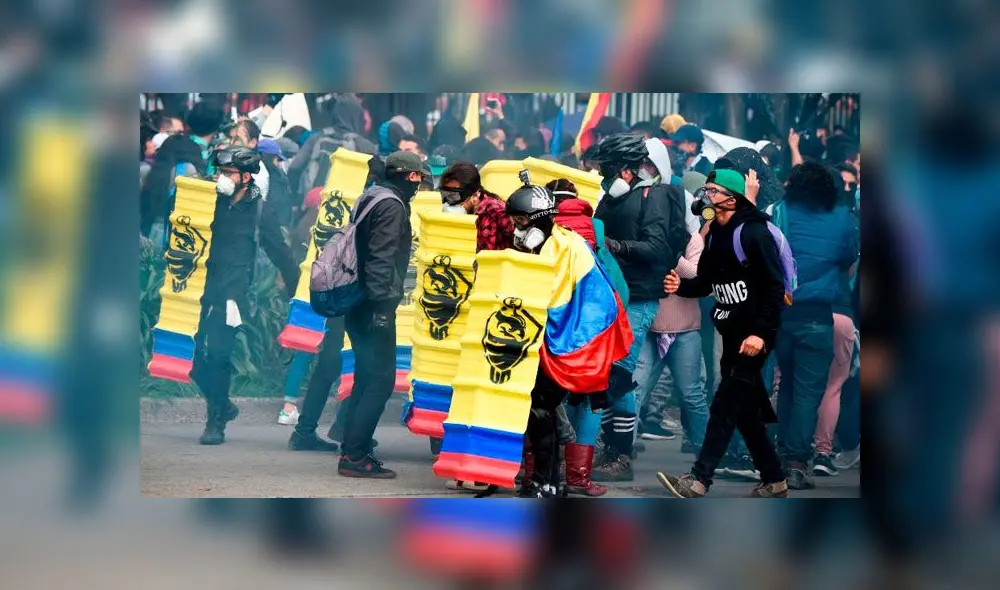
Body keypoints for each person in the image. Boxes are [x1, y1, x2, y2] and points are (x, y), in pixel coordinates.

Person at [657, 168, 789, 498]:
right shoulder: (714, 233)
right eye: (707, 190)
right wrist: (681, 287)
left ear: (733, 197)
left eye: (714, 191)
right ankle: (775, 479)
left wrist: (760, 334)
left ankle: (699, 479)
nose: (707, 197)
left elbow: (775, 288)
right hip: (731, 332)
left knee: (724, 404)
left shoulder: (754, 233)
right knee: (744, 411)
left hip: (754, 335)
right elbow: (706, 283)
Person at [589, 133, 684, 482]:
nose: (603, 176)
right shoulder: (612, 199)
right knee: (605, 373)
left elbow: (657, 248)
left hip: (640, 299)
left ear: (627, 170)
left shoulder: (654, 197)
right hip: (611, 296)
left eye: (608, 169)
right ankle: (609, 444)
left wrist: (613, 245)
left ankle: (621, 455)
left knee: (619, 375)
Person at [192, 146, 300, 445]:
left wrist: (298, 292)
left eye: (228, 173)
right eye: (220, 172)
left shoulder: (259, 209)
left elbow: (281, 252)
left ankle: (215, 421)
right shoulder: (210, 200)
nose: (222, 178)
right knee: (188, 355)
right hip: (197, 285)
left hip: (232, 292)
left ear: (246, 176)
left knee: (219, 354)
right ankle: (225, 405)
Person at [337, 151, 428, 478]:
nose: (419, 185)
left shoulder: (372, 195)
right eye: (418, 178)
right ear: (410, 177)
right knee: (380, 381)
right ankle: (356, 456)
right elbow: (380, 258)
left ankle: (351, 450)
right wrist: (381, 309)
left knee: (365, 379)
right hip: (372, 305)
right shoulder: (392, 205)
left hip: (355, 300)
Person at [285, 157, 388, 445]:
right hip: (352, 294)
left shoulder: (341, 200)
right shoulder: (373, 207)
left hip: (337, 293)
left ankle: (312, 430)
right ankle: (333, 429)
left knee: (333, 364)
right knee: (359, 364)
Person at [774, 162, 859, 489]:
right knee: (809, 391)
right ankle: (797, 462)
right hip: (819, 316)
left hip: (783, 313)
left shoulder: (782, 214)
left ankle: (782, 455)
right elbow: (848, 256)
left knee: (787, 385)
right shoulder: (840, 219)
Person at [257, 138, 294, 229]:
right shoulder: (269, 177)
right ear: (268, 157)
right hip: (274, 226)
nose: (278, 164)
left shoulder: (276, 175)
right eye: (277, 160)